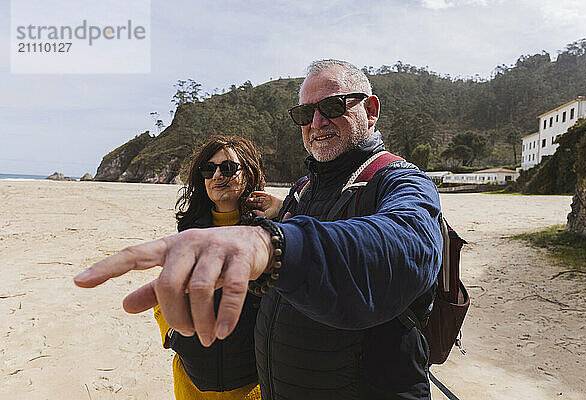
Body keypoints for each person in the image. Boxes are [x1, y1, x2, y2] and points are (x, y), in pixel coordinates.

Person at [75, 60, 443, 400]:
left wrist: (272, 244)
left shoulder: (401, 181)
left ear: (371, 110)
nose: (316, 122)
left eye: (332, 107)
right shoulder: (303, 190)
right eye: (304, 114)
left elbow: (405, 248)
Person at [154, 135, 264, 400]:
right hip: (192, 381)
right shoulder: (188, 235)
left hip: (252, 383)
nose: (217, 175)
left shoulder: (268, 234)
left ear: (248, 175)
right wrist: (171, 334)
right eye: (209, 168)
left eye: (227, 167)